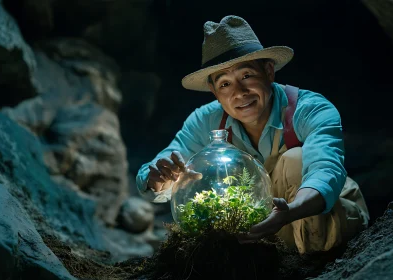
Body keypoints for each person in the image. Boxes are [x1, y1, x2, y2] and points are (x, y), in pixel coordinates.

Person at [136, 15, 369, 254]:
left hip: (327, 219)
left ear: (268, 71)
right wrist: (158, 176)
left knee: (295, 159)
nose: (239, 93)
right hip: (262, 233)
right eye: (225, 84)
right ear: (214, 91)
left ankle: (310, 265)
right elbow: (161, 163)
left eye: (247, 76)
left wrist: (291, 211)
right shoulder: (206, 120)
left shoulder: (309, 109)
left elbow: (326, 169)